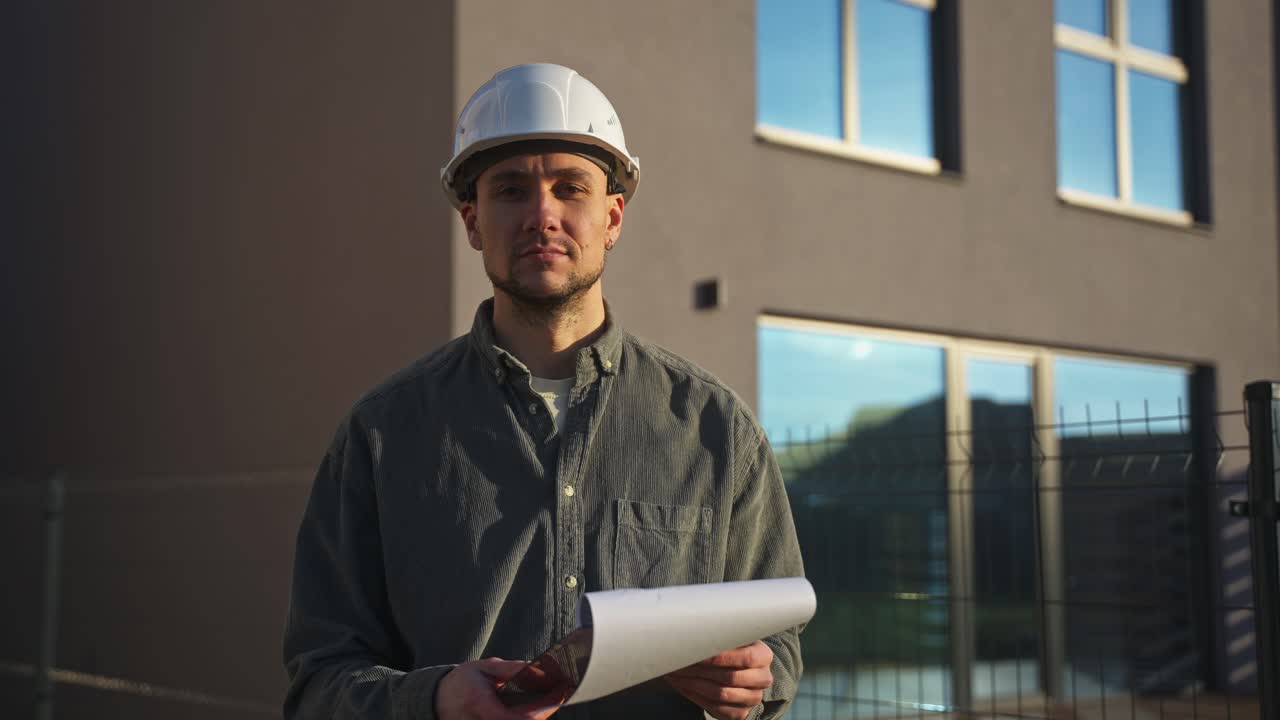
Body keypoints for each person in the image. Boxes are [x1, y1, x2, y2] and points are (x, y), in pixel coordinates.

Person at [282, 63, 805, 720]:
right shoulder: (382, 435)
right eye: (510, 191)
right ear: (472, 221)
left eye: (570, 188)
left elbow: (778, 649)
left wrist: (754, 682)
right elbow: (319, 686)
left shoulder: (716, 429)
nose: (542, 215)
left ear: (612, 217)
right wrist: (437, 700)